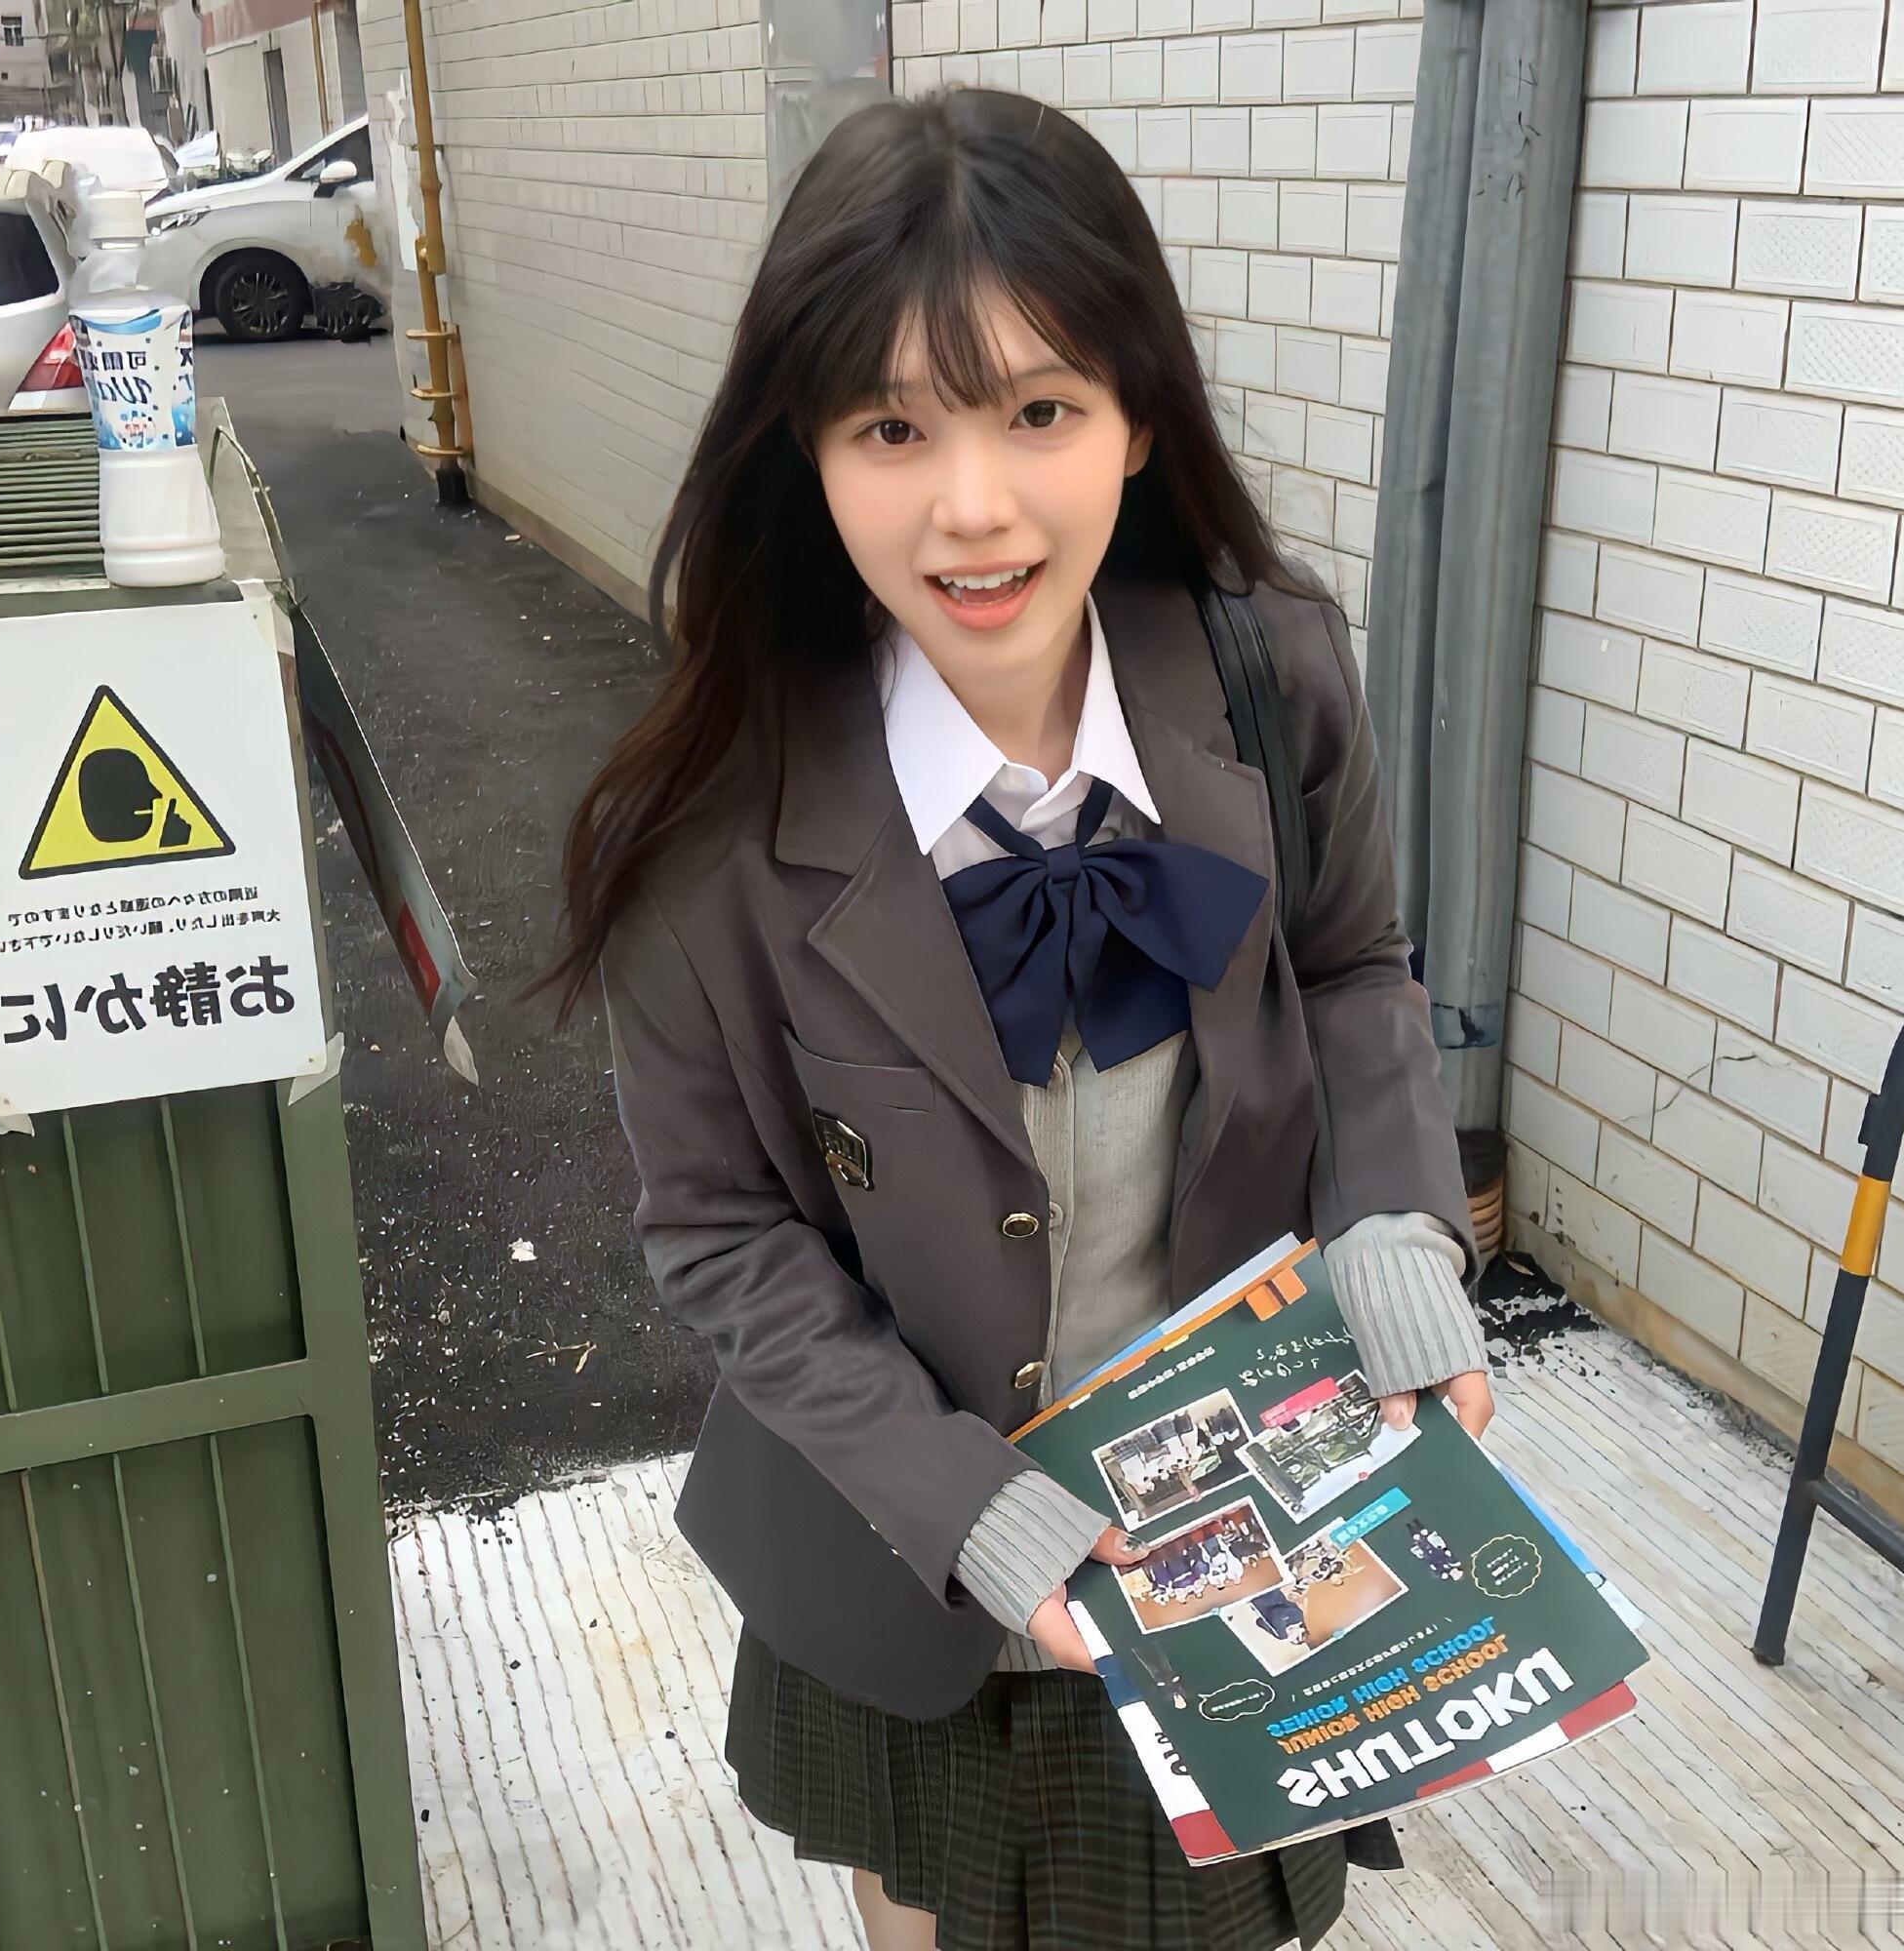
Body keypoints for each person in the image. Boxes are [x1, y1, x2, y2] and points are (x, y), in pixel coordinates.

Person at [551, 87, 1494, 1951]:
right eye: (893, 427)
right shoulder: (708, 821)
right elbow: (719, 1228)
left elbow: (1350, 968)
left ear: (1139, 416)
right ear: (806, 451)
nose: (972, 507)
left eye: (1040, 412)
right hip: (909, 1554)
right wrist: (964, 1502)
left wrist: (1394, 1218)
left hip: (1236, 1533)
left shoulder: (1272, 678)